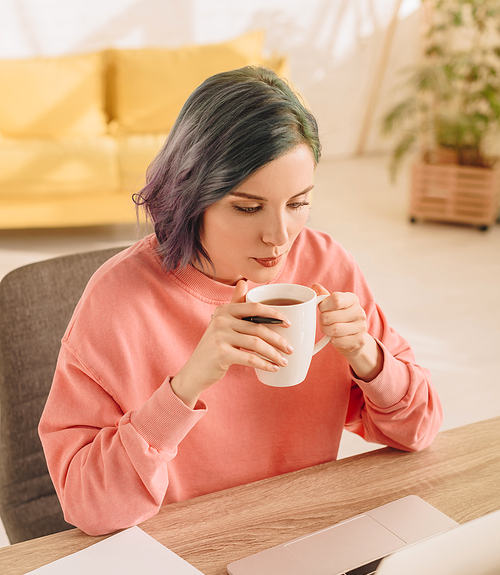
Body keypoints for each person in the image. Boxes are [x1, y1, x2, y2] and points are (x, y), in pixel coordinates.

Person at [39, 66, 442, 536]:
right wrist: (186, 385)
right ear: (191, 195)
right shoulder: (118, 300)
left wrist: (369, 357)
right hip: (180, 556)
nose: (280, 237)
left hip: (302, 537)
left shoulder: (327, 265)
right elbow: (89, 507)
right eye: (247, 207)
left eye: (298, 203)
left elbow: (418, 430)